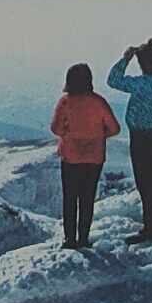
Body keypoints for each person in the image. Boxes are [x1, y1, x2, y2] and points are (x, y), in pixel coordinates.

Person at [107, 38, 152, 244]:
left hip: (142, 136)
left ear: (146, 63)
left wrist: (125, 58)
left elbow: (113, 80)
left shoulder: (142, 83)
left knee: (145, 182)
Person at [50, 63, 121, 249]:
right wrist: (98, 135)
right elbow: (115, 128)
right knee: (87, 199)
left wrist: (69, 133)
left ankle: (69, 239)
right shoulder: (99, 101)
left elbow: (55, 128)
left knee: (70, 198)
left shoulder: (65, 102)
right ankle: (83, 239)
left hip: (71, 157)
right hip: (94, 158)